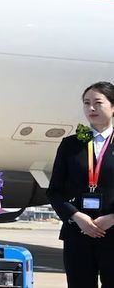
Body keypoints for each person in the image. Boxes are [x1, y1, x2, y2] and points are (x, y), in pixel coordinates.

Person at [47, 81, 114, 288]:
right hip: (78, 233)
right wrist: (76, 216)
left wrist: (113, 217)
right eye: (86, 103)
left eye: (97, 102)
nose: (91, 108)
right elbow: (54, 190)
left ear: (113, 107)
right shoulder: (71, 144)